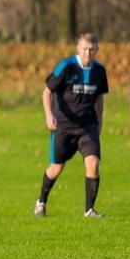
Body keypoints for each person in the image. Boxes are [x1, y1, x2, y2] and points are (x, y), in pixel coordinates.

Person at [34, 33, 109, 218]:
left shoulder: (99, 70)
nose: (87, 53)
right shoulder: (66, 66)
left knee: (93, 163)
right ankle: (41, 201)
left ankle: (89, 210)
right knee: (56, 167)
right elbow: (46, 93)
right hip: (64, 127)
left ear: (97, 50)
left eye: (92, 49)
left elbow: (99, 98)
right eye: (84, 48)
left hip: (88, 126)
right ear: (78, 48)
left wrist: (99, 121)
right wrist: (49, 116)